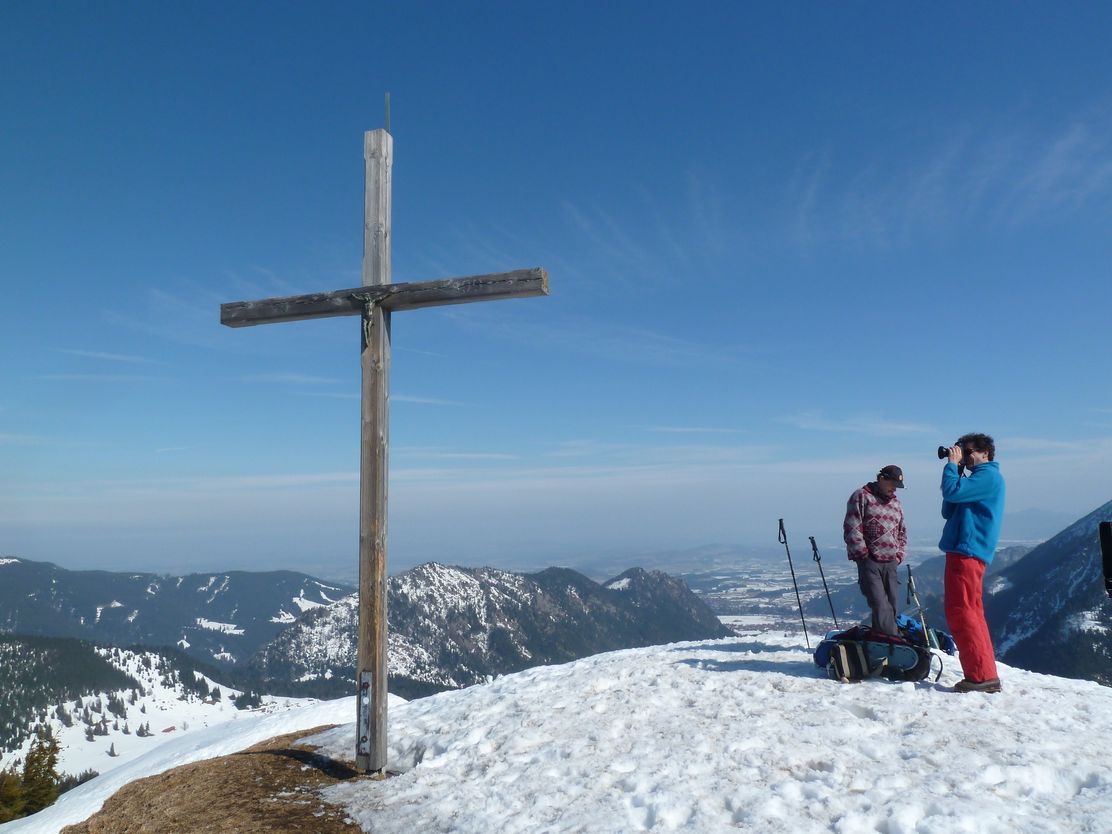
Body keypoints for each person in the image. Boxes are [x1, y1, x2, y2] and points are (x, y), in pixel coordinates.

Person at [940, 433, 1006, 694]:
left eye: (968, 453)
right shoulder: (978, 479)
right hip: (965, 550)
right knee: (971, 612)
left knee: (962, 612)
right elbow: (949, 508)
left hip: (967, 551)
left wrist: (950, 468)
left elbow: (951, 491)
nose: (964, 458)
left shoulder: (988, 476)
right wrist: (956, 471)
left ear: (985, 453)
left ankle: (980, 676)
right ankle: (984, 673)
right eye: (962, 452)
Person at [843, 464, 907, 636]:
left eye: (897, 486)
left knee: (892, 603)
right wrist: (863, 554)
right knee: (880, 604)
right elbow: (852, 526)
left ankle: (882, 640)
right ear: (881, 479)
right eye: (892, 483)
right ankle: (892, 640)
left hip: (891, 561)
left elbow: (902, 532)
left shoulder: (896, 504)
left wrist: (899, 555)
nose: (894, 488)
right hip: (870, 560)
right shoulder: (861, 496)